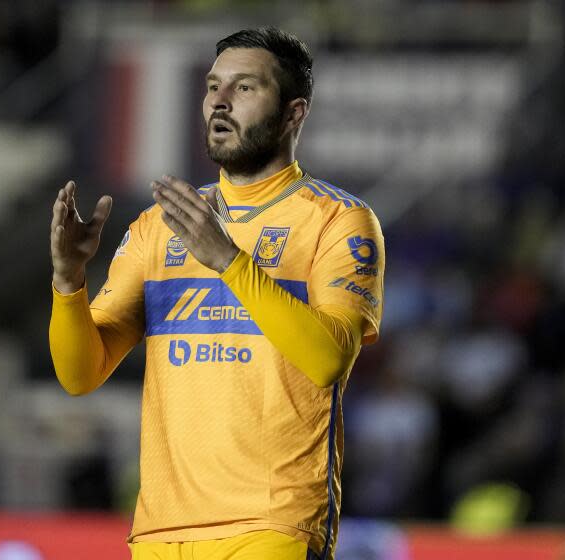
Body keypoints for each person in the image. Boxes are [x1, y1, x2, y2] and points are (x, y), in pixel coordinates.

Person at [49, 27, 385, 560]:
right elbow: (80, 374)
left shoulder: (338, 221)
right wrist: (69, 284)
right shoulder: (159, 228)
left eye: (246, 88)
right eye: (213, 86)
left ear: (295, 113)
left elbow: (328, 360)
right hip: (162, 533)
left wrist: (227, 260)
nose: (219, 102)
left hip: (272, 524)